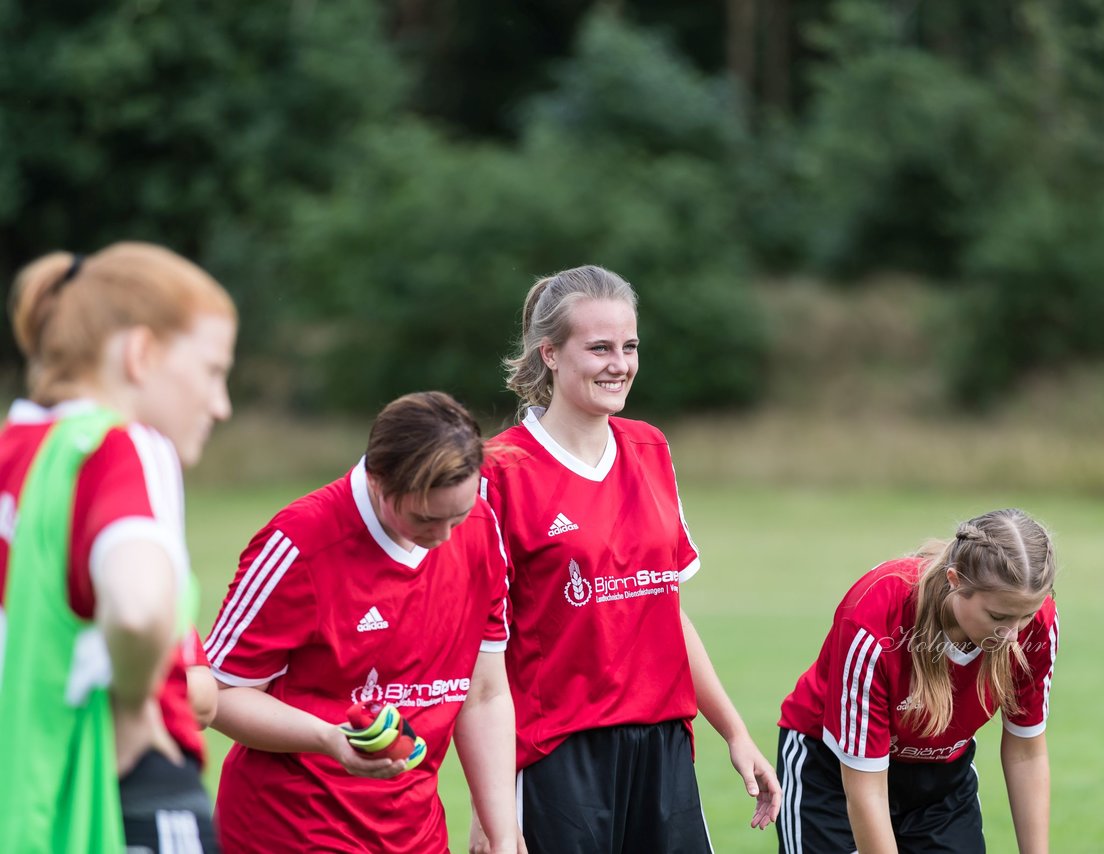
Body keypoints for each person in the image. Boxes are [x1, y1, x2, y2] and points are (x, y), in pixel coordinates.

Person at [473, 265, 782, 853]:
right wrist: (490, 815)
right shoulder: (500, 471)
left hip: (663, 747)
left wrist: (735, 733)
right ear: (551, 354)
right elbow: (481, 657)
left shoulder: (650, 448)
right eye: (599, 347)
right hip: (557, 755)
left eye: (630, 345)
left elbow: (666, 611)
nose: (620, 363)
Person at [206, 391, 521, 853]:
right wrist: (328, 739)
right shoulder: (298, 544)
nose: (444, 538)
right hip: (290, 833)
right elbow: (219, 692)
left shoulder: (479, 531)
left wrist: (502, 833)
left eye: (458, 515)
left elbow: (484, 695)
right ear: (377, 479)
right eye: (425, 518)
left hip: (416, 837)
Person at [0, 242, 237, 853]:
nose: (220, 405)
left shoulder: (11, 453)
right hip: (117, 795)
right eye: (212, 371)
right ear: (140, 353)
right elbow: (137, 610)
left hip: (25, 798)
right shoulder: (122, 446)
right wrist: (133, 708)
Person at [775, 508, 1060, 854]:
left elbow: (1026, 754)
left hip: (940, 782)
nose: (1012, 635)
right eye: (997, 616)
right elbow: (867, 790)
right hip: (832, 771)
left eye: (1026, 615)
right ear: (956, 581)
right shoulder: (875, 620)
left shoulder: (1038, 628)